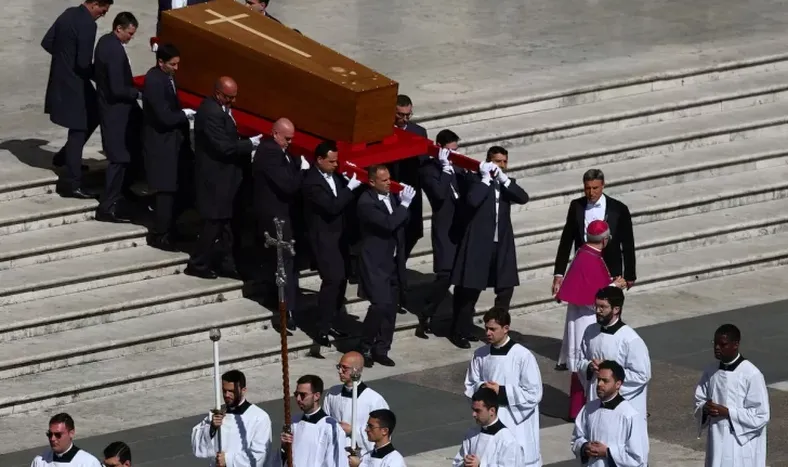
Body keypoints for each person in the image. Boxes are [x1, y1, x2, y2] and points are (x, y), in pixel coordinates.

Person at [450, 147, 529, 349]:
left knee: (506, 288)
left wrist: (504, 180)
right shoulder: (474, 180)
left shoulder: (505, 183)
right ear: (488, 161)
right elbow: (473, 200)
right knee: (470, 289)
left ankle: (498, 328)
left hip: (501, 245)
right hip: (479, 244)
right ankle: (459, 329)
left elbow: (523, 197)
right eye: (497, 161)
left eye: (504, 161)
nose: (501, 165)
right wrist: (485, 179)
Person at [187, 76, 261, 279]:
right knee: (214, 223)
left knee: (225, 225)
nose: (233, 101)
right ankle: (198, 263)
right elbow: (223, 146)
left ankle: (227, 263)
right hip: (215, 179)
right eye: (229, 97)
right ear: (218, 93)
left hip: (225, 178)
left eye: (234, 97)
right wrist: (250, 144)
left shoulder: (220, 109)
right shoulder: (211, 113)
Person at [555, 220, 627, 419]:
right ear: (604, 240)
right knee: (588, 367)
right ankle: (582, 411)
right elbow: (594, 301)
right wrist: (615, 286)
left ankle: (576, 410)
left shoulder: (584, 253)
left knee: (582, 368)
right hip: (587, 320)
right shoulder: (591, 258)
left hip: (578, 318)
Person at [42, 0, 113, 199]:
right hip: (75, 84)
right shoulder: (88, 24)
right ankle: (72, 183)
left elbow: (47, 42)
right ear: (95, 4)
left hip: (60, 77)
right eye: (102, 10)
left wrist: (64, 59)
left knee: (94, 112)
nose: (102, 15)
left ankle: (65, 157)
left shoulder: (68, 13)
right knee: (79, 128)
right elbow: (83, 63)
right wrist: (103, 77)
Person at [302, 141, 363, 345]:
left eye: (336, 161)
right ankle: (322, 327)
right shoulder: (311, 182)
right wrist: (350, 188)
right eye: (331, 161)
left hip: (339, 237)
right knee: (332, 280)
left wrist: (347, 183)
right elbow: (332, 206)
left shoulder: (334, 176)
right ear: (319, 159)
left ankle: (334, 321)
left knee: (341, 279)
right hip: (324, 240)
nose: (336, 165)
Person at [463, 307, 542, 465]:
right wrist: (482, 387)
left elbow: (534, 393)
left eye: (493, 329)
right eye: (486, 328)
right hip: (490, 419)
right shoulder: (480, 354)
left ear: (506, 328)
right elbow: (470, 383)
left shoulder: (522, 356)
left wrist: (502, 391)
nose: (488, 333)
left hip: (515, 421)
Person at [356, 165, 416, 367]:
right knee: (380, 304)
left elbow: (401, 222)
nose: (389, 183)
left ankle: (381, 349)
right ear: (372, 182)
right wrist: (404, 205)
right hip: (375, 262)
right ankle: (365, 345)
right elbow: (388, 224)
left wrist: (403, 205)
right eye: (384, 180)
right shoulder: (366, 202)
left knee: (390, 308)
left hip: (393, 260)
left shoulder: (392, 197)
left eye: (389, 178)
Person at [252, 117, 308, 331]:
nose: (290, 143)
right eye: (287, 138)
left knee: (285, 261)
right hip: (275, 217)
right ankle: (287, 310)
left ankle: (285, 303)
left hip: (281, 214)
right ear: (275, 134)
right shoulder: (270, 153)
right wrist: (302, 170)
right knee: (284, 262)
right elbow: (288, 185)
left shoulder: (277, 151)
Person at [142, 43, 196, 252]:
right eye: (172, 64)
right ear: (160, 62)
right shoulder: (154, 81)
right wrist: (184, 115)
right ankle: (160, 234)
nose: (176, 68)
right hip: (161, 145)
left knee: (177, 188)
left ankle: (171, 229)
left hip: (173, 143)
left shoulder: (167, 77)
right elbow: (164, 116)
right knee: (165, 190)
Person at [694, 324, 769, 467]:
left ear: (735, 345)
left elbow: (761, 415)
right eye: (715, 343)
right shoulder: (710, 371)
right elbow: (699, 399)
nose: (717, 348)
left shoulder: (751, 374)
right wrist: (705, 408)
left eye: (722, 344)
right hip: (716, 439)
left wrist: (728, 413)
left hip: (740, 444)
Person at [417, 129, 468, 339]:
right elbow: (438, 194)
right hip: (445, 227)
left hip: (462, 225)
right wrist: (446, 170)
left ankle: (460, 323)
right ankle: (427, 311)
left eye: (456, 150)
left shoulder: (458, 165)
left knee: (464, 276)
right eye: (450, 150)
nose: (453, 154)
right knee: (445, 274)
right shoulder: (428, 169)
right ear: (439, 147)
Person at [553, 169, 636, 296]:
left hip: (611, 271)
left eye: (595, 188)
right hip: (583, 269)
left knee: (607, 306)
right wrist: (559, 273)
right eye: (587, 188)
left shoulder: (618, 209)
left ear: (603, 185)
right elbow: (566, 241)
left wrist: (630, 275)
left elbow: (628, 243)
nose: (591, 192)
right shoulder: (576, 206)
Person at [93, 11, 141, 223]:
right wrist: (137, 93)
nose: (131, 37)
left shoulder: (106, 43)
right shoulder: (113, 50)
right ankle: (108, 206)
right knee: (118, 158)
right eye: (129, 33)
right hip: (115, 113)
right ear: (119, 28)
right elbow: (117, 88)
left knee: (123, 156)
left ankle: (119, 195)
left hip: (114, 110)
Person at [577, 287, 651, 423]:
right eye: (596, 306)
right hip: (595, 400)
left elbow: (642, 375)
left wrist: (610, 372)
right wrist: (589, 367)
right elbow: (581, 360)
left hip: (620, 407)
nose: (597, 311)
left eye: (603, 307)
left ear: (616, 309)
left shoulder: (630, 340)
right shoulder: (590, 331)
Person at [571, 360, 649, 467]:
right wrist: (585, 447)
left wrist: (607, 452)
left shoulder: (629, 415)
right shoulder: (589, 408)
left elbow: (637, 457)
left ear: (618, 384)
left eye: (605, 381)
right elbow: (576, 438)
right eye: (598, 379)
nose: (599, 384)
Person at [191, 370, 273, 467]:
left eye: (231, 391)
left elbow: (260, 455)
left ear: (243, 390)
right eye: (224, 390)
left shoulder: (259, 417)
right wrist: (211, 429)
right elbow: (197, 446)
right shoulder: (217, 413)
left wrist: (228, 460)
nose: (226, 395)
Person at [323, 352, 390, 457]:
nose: (340, 371)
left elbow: (382, 433)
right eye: (339, 367)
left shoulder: (374, 400)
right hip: (335, 452)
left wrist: (353, 431)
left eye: (344, 368)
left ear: (356, 370)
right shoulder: (332, 393)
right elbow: (325, 421)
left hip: (361, 456)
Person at [280, 375, 348, 467]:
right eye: (296, 394)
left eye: (303, 395)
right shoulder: (293, 421)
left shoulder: (330, 428)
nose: (298, 399)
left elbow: (335, 463)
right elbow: (285, 458)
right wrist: (284, 446)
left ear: (316, 396)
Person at [390, 94, 427, 260]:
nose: (404, 119)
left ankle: (400, 263)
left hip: (411, 187)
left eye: (408, 115)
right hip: (389, 188)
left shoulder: (418, 131)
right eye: (400, 115)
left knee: (412, 231)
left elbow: (423, 160)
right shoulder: (382, 132)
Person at [453, 387, 525, 467]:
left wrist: (480, 465)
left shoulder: (508, 441)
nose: (473, 414)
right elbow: (457, 462)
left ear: (492, 411)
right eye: (473, 410)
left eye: (478, 410)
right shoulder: (471, 433)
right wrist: (464, 464)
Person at [31, 413, 102, 467]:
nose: (52, 439)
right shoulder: (39, 462)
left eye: (58, 434)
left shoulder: (88, 463)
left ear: (71, 433)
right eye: (49, 434)